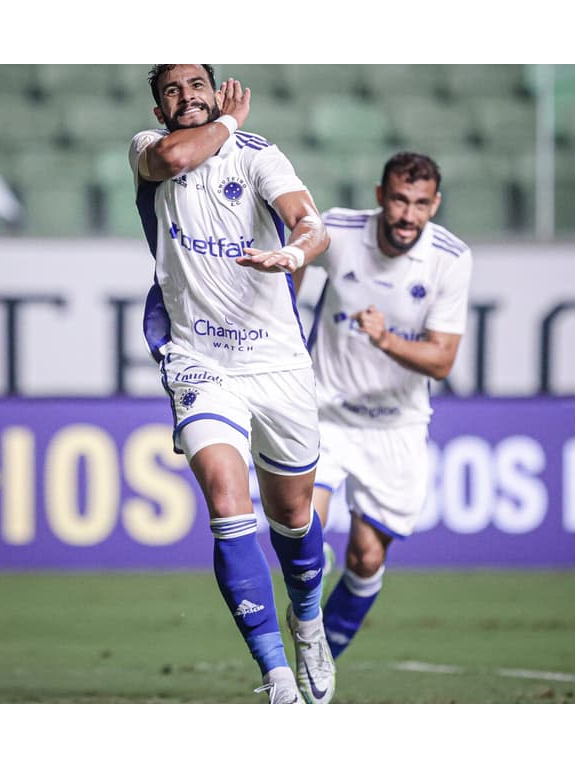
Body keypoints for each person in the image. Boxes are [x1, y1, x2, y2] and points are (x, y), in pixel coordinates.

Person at [129, 65, 335, 703]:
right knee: (226, 498)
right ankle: (275, 676)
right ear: (159, 104)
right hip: (199, 359)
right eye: (172, 89)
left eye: (198, 85)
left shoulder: (258, 156)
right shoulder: (147, 148)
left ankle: (307, 621)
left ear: (215, 90)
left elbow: (312, 222)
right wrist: (228, 119)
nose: (185, 97)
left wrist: (295, 253)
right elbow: (173, 155)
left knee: (294, 517)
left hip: (277, 364)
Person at [293, 152, 472, 660]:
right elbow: (295, 257)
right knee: (303, 525)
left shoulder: (450, 259)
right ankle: (306, 585)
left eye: (419, 204)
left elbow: (441, 362)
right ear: (380, 196)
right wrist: (285, 308)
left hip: (396, 426)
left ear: (434, 205)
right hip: (323, 413)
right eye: (398, 200)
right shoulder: (340, 230)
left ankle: (319, 657)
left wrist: (385, 339)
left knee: (367, 558)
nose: (407, 215)